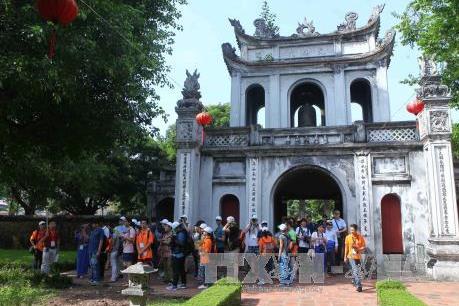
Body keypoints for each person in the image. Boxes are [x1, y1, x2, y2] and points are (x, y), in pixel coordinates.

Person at [344, 224, 366, 292]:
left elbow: (364, 246)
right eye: (350, 230)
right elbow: (346, 248)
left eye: (353, 230)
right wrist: (345, 257)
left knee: (356, 270)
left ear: (356, 230)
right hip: (351, 256)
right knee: (356, 270)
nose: (351, 231)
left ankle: (354, 280)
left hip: (358, 256)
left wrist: (359, 249)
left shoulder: (360, 237)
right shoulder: (348, 237)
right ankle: (359, 286)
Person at [167, 221, 188, 291]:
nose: (174, 230)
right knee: (181, 269)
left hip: (178, 254)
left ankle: (174, 285)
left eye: (174, 228)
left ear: (177, 228)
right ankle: (183, 283)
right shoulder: (181, 232)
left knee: (176, 270)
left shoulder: (181, 233)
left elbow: (181, 243)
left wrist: (174, 238)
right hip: (180, 254)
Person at [88, 221, 105, 285]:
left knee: (95, 265)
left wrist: (99, 250)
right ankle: (92, 279)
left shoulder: (100, 230)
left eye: (93, 223)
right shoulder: (93, 231)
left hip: (95, 250)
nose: (92, 225)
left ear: (97, 224)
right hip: (90, 250)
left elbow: (101, 240)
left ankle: (96, 279)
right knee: (91, 265)